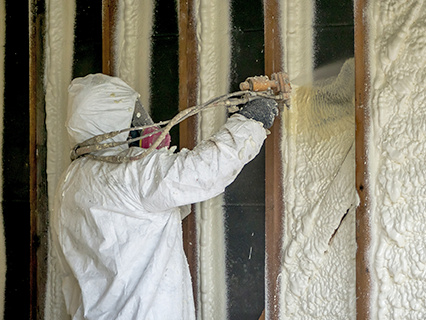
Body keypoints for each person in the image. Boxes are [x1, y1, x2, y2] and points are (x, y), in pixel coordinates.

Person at [48, 73, 278, 319]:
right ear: (112, 121)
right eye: (135, 115)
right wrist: (252, 120)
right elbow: (204, 170)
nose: (146, 124)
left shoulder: (71, 179)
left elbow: (155, 211)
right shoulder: (131, 172)